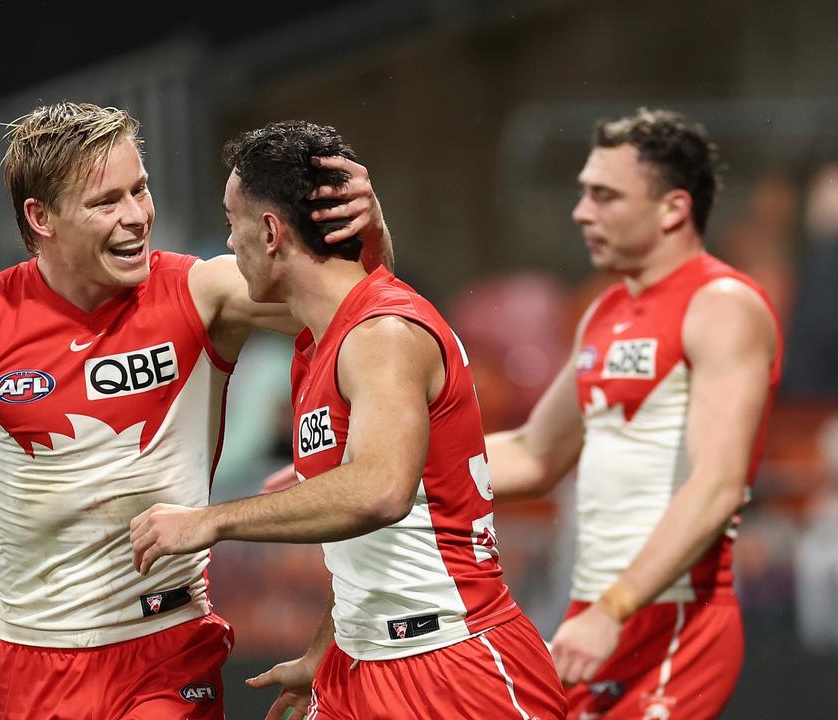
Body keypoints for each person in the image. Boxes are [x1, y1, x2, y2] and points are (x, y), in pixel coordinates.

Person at [0, 102, 391, 720]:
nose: (135, 217)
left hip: (170, 653)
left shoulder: (203, 294)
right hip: (36, 665)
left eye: (140, 189)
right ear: (41, 218)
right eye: (104, 202)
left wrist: (374, 235)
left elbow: (368, 318)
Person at [128, 121, 566, 720]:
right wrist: (324, 651)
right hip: (363, 665)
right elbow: (376, 541)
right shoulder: (321, 341)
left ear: (271, 231)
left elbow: (381, 491)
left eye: (232, 224)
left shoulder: (383, 333)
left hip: (454, 672)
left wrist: (210, 522)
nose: (228, 244)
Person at [483, 108, 781, 719]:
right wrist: (392, 465)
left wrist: (613, 609)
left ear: (672, 209)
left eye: (604, 195)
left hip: (673, 621)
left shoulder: (722, 305)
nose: (581, 212)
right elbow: (534, 454)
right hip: (593, 618)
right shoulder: (606, 311)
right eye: (583, 193)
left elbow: (718, 486)